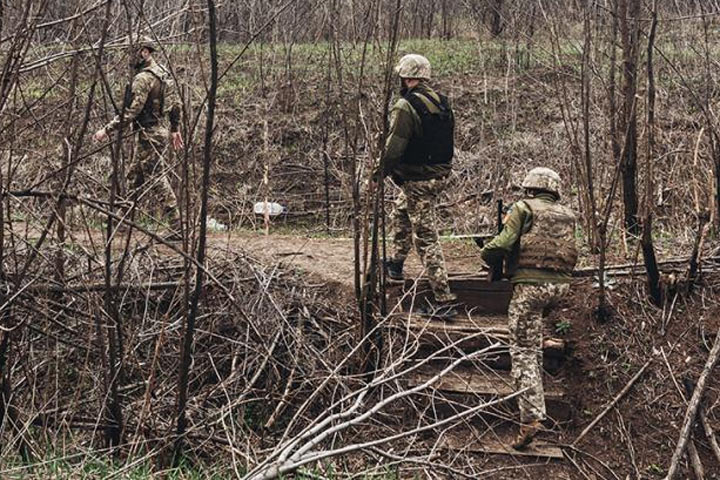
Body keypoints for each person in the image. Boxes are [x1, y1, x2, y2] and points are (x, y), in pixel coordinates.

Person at [479, 167, 578, 449]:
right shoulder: (567, 214)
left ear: (530, 187)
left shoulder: (522, 208)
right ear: (555, 189)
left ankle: (531, 419)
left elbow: (504, 242)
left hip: (530, 288)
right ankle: (536, 401)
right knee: (531, 342)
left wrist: (486, 252)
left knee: (522, 353)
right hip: (559, 288)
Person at [375, 54, 458, 319]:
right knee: (401, 212)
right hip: (439, 175)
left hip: (420, 179)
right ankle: (396, 264)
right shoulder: (441, 102)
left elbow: (394, 147)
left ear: (407, 77)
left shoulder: (405, 105)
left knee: (425, 237)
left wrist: (379, 173)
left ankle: (443, 298)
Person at [94, 35, 184, 235]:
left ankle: (177, 226)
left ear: (145, 52)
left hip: (149, 133)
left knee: (156, 179)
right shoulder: (162, 73)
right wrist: (174, 128)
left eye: (134, 52)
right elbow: (175, 104)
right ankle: (125, 221)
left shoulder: (143, 78)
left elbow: (132, 112)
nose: (131, 57)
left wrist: (107, 130)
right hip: (155, 131)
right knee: (135, 176)